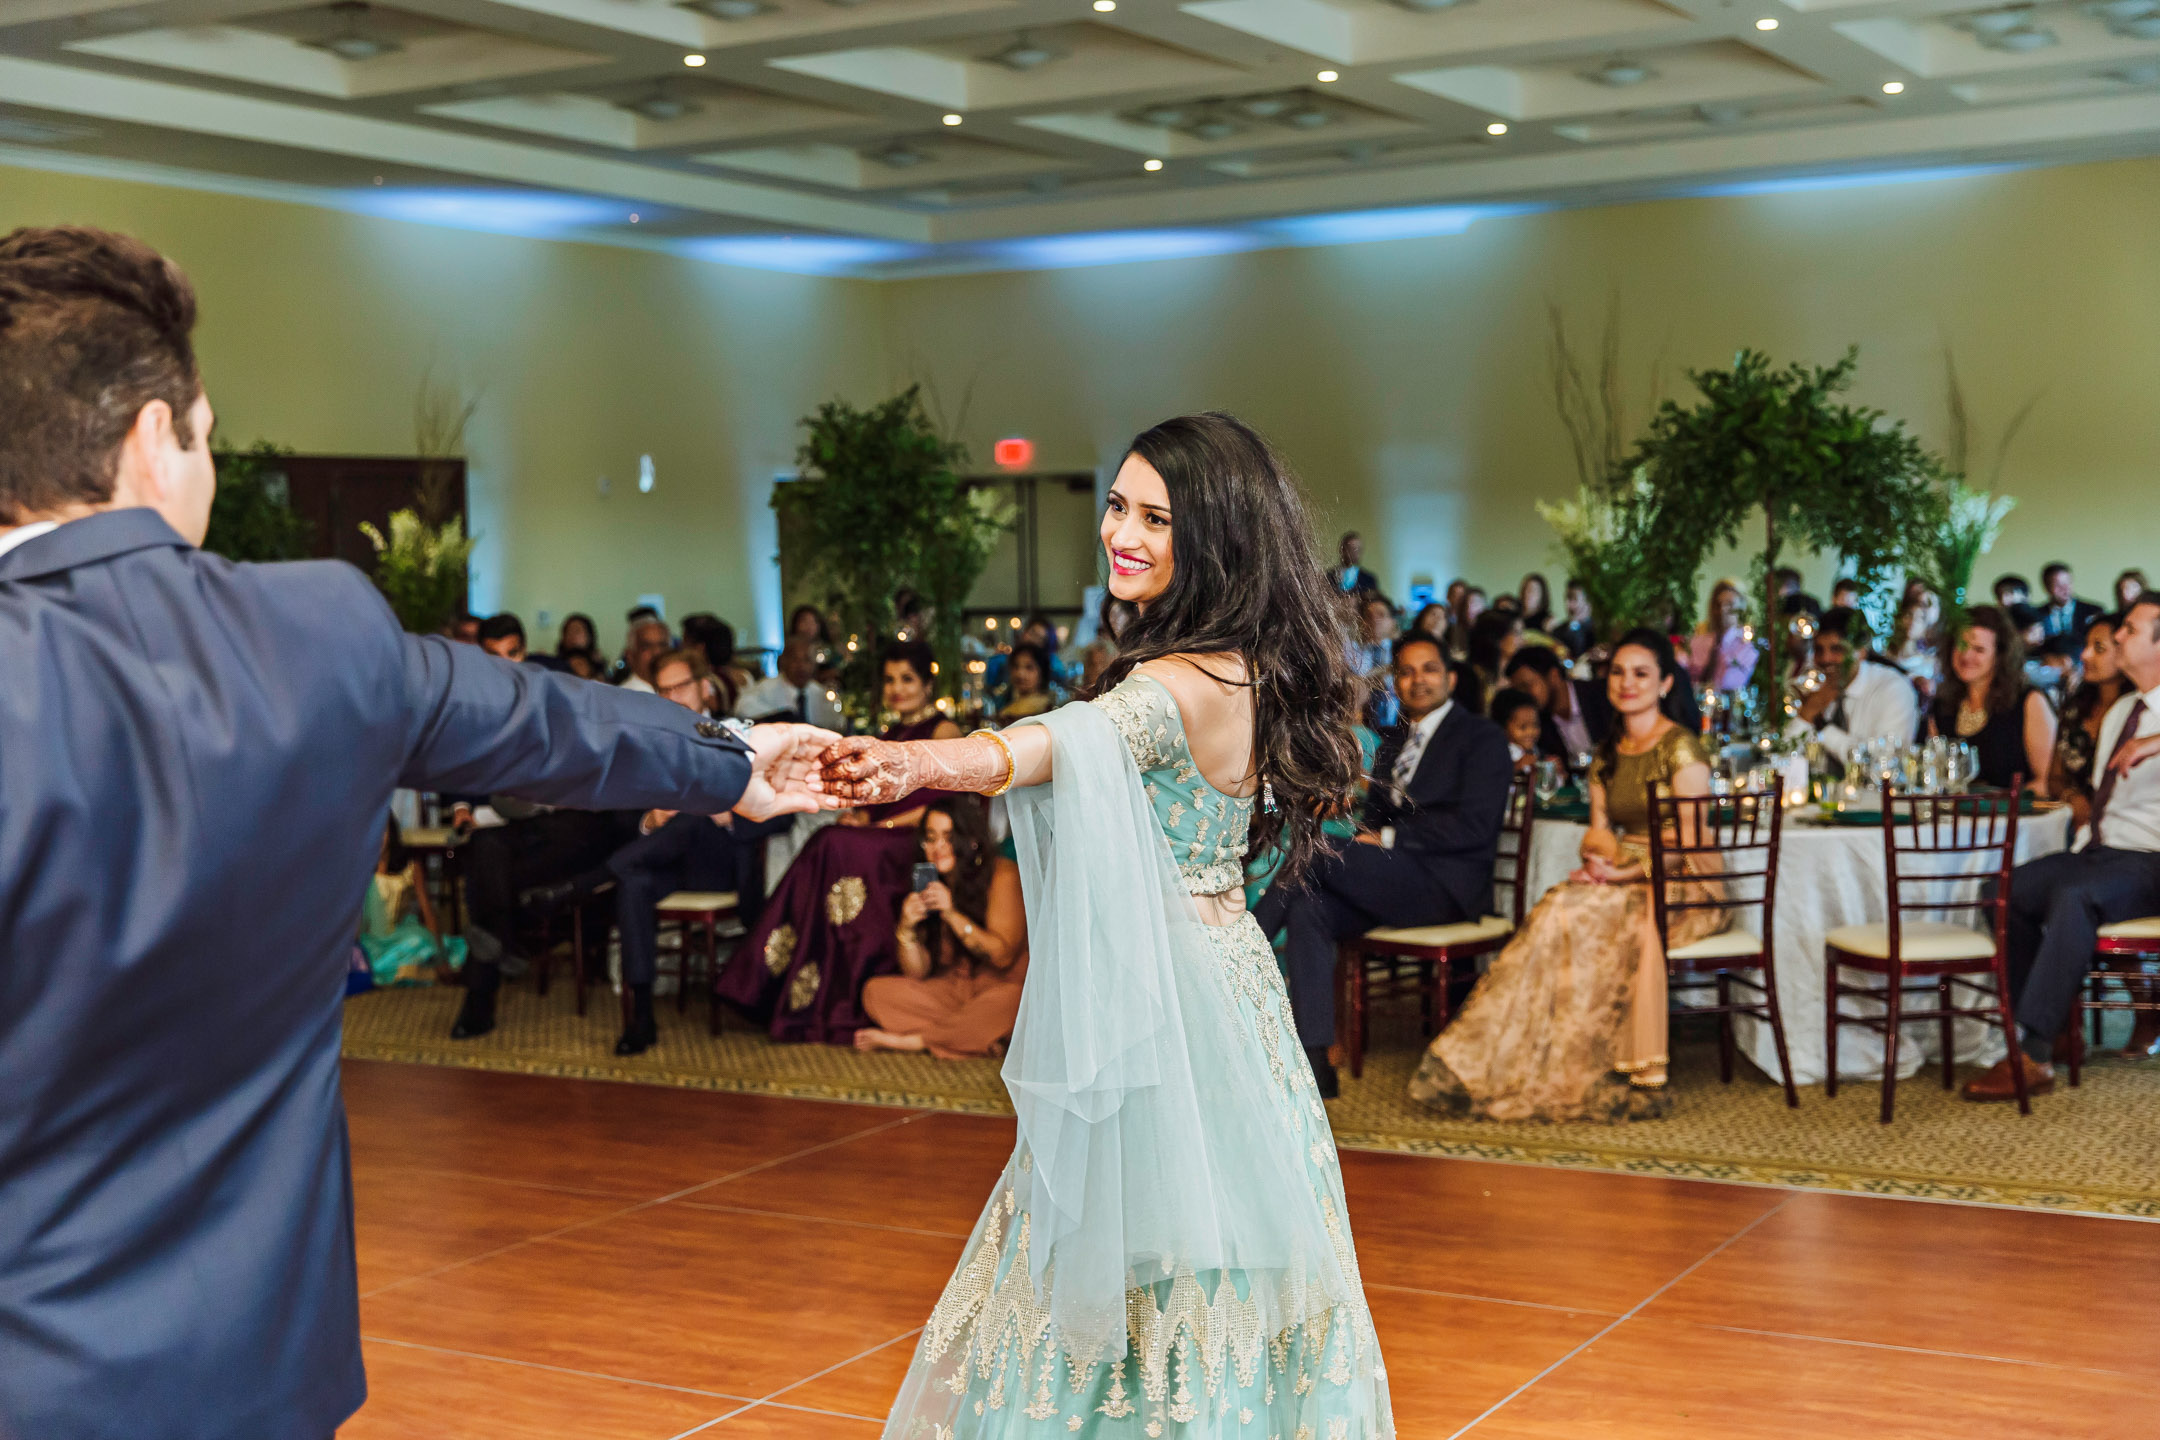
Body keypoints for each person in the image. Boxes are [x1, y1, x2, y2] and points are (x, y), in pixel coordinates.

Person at [0, 224, 839, 1440]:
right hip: (257, 1369)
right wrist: (733, 768)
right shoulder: (320, 633)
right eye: (211, 434)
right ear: (152, 437)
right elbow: (548, 723)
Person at [820, 412, 1391, 1439]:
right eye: (1119, 508)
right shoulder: (1246, 664)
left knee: (1139, 1260)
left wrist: (921, 762)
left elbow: (1057, 742)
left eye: (1155, 518)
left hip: (1170, 1007)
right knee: (1222, 1257)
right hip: (1230, 982)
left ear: (1212, 537)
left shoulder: (1170, 684)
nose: (1122, 533)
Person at [1409, 629, 1725, 1121]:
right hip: (1627, 872)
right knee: (1560, 904)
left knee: (1590, 911)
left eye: (1641, 674)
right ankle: (1508, 1060)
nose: (1627, 683)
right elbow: (1600, 832)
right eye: (1618, 672)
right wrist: (1601, 864)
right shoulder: (1608, 752)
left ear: (1665, 683)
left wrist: (1625, 875)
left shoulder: (1682, 749)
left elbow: (1689, 845)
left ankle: (1618, 1065)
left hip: (1682, 881)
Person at [1252, 631, 1510, 1096]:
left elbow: (1476, 827)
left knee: (1312, 854)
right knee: (1309, 905)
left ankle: (1244, 950)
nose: (1418, 680)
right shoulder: (1393, 741)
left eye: (1429, 669)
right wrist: (1351, 820)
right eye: (1407, 672)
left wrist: (1388, 836)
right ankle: (1316, 1061)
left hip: (1447, 886)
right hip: (1391, 881)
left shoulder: (1481, 737)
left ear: (1451, 676)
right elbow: (1372, 822)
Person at [714, 641, 963, 1042]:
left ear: (927, 684)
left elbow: (944, 806)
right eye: (889, 680)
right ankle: (775, 983)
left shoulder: (943, 729)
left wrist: (878, 827)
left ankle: (816, 993)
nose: (897, 688)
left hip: (915, 843)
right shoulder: (891, 732)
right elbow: (878, 796)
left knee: (832, 842)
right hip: (876, 838)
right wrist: (862, 816)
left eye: (906, 679)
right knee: (830, 838)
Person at [1962, 594, 2160, 1098]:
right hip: (2101, 853)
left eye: (2130, 631)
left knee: (2074, 897)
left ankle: (2031, 1052)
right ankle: (2056, 1031)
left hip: (2150, 862)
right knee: (2002, 891)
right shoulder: (2121, 713)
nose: (2118, 637)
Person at [856, 798, 1028, 1059]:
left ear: (971, 841)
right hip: (957, 990)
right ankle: (973, 1038)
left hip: (1003, 988)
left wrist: (951, 914)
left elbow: (1002, 958)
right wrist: (906, 931)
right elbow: (919, 972)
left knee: (1012, 1004)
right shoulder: (932, 881)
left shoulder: (1002, 874)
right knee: (876, 993)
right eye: (931, 838)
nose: (938, 848)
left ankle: (918, 1041)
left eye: (948, 838)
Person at [1926, 605, 2057, 791]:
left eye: (1979, 649)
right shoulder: (1942, 706)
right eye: (1961, 646)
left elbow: (2048, 782)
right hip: (1954, 818)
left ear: (2000, 656)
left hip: (2016, 816)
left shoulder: (2029, 701)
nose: (1966, 655)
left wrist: (1996, 806)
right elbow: (1935, 778)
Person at [1785, 607, 1922, 769]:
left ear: (1861, 651)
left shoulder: (1893, 689)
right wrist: (1806, 714)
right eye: (1819, 650)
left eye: (1837, 649)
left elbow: (1882, 764)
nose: (1825, 659)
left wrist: (1824, 728)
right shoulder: (1815, 687)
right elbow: (1785, 757)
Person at [356, 815, 465, 988]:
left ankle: (416, 969)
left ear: (391, 832)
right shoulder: (357, 867)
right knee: (369, 964)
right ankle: (411, 972)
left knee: (419, 940)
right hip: (369, 941)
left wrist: (441, 955)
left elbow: (427, 909)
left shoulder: (410, 866)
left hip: (398, 935)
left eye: (382, 831)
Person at [2051, 613, 2131, 839]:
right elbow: (2055, 778)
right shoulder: (2075, 709)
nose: (2085, 655)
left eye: (2099, 648)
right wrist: (2072, 798)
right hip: (2072, 824)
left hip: (2121, 832)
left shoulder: (2138, 712)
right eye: (2086, 645)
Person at [1503, 643, 1612, 768]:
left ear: (1553, 676)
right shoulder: (1538, 726)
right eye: (1518, 691)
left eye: (1527, 686)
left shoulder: (1601, 695)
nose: (1524, 696)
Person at [735, 634, 845, 729]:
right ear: (784, 661)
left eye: (807, 660)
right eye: (795, 659)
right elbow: (741, 708)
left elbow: (838, 721)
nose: (801, 666)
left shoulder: (820, 693)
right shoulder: (765, 688)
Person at [1690, 577, 1757, 693]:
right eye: (1718, 605)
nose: (1722, 610)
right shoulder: (1698, 642)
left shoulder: (1747, 644)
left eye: (1729, 604)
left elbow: (1732, 681)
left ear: (1741, 608)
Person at [2038, 562, 2103, 662]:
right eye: (2058, 584)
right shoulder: (2036, 615)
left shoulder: (2093, 611)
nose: (2065, 588)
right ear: (2046, 587)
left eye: (2068, 583)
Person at [1465, 607, 1522, 704]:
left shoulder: (1518, 678)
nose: (1523, 640)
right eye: (1517, 633)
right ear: (1498, 637)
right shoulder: (1474, 677)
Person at [995, 639, 1057, 724]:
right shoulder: (1002, 701)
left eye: (1029, 667)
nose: (1020, 674)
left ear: (1042, 673)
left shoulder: (1047, 709)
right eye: (1015, 666)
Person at [1489, 686, 1543, 778]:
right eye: (1523, 727)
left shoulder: (1537, 752)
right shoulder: (1497, 754)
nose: (1531, 732)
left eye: (1535, 725)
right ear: (1503, 727)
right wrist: (1515, 768)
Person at [1329, 527, 1380, 598]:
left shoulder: (1369, 579)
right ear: (1342, 549)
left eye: (1358, 549)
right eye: (1352, 549)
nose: (1355, 553)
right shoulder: (1328, 577)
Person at [1550, 578, 1595, 657]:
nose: (1567, 605)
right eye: (1566, 598)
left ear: (1587, 601)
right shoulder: (1558, 631)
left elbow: (1579, 654)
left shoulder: (1598, 631)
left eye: (1573, 598)